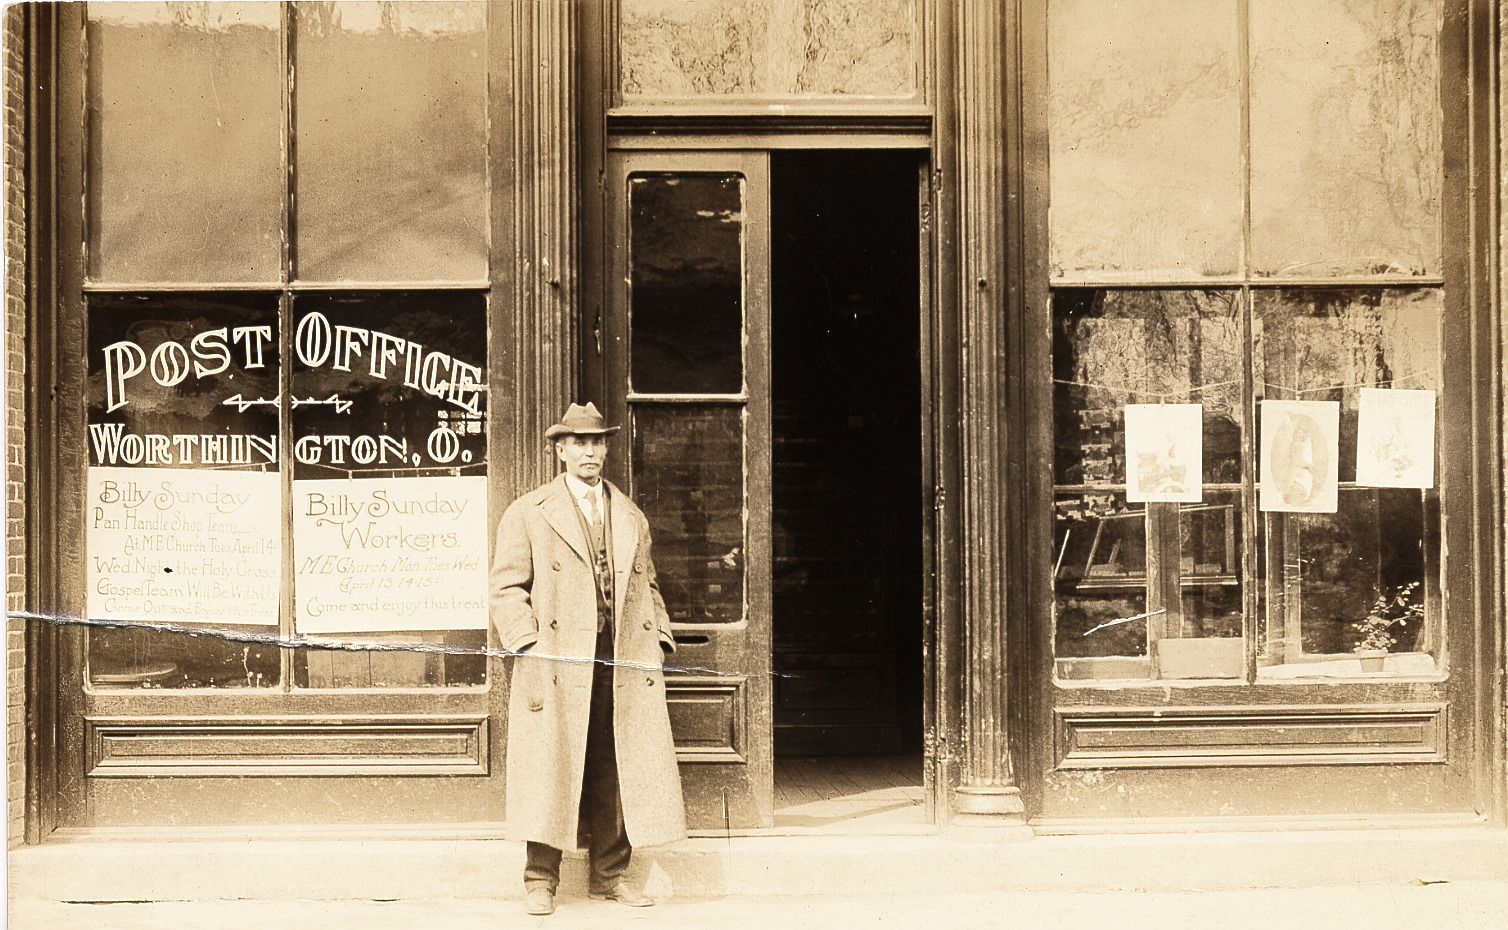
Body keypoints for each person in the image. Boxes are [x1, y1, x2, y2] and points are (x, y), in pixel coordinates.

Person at [489, 402, 686, 916]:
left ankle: (611, 876)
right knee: (551, 765)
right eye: (579, 443)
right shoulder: (529, 512)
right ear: (560, 450)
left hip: (620, 660)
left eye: (597, 442)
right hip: (557, 663)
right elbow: (506, 589)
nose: (590, 452)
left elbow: (649, 586)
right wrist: (528, 645)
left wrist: (659, 638)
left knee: (615, 765)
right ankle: (540, 881)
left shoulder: (629, 515)